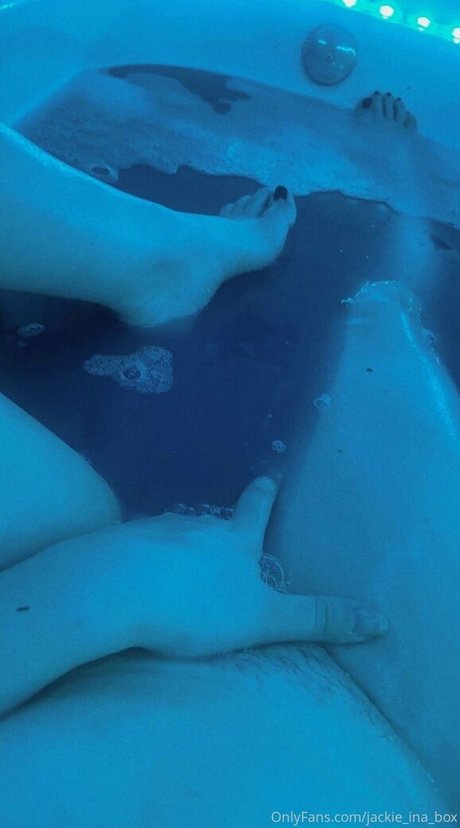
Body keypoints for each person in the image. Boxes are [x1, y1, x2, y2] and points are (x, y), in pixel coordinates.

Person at [0, 94, 454, 823]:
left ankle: (155, 256)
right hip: (391, 743)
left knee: (69, 506)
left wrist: (91, 592)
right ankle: (384, 197)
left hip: (87, 619)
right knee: (383, 315)